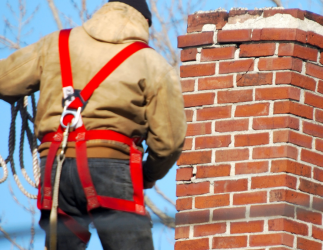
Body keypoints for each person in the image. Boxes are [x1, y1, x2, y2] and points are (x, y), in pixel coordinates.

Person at [0, 0, 186, 249]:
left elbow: (4, 80)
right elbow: (169, 144)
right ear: (144, 23)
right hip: (112, 167)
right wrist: (148, 176)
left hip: (56, 167)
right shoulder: (152, 64)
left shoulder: (56, 44)